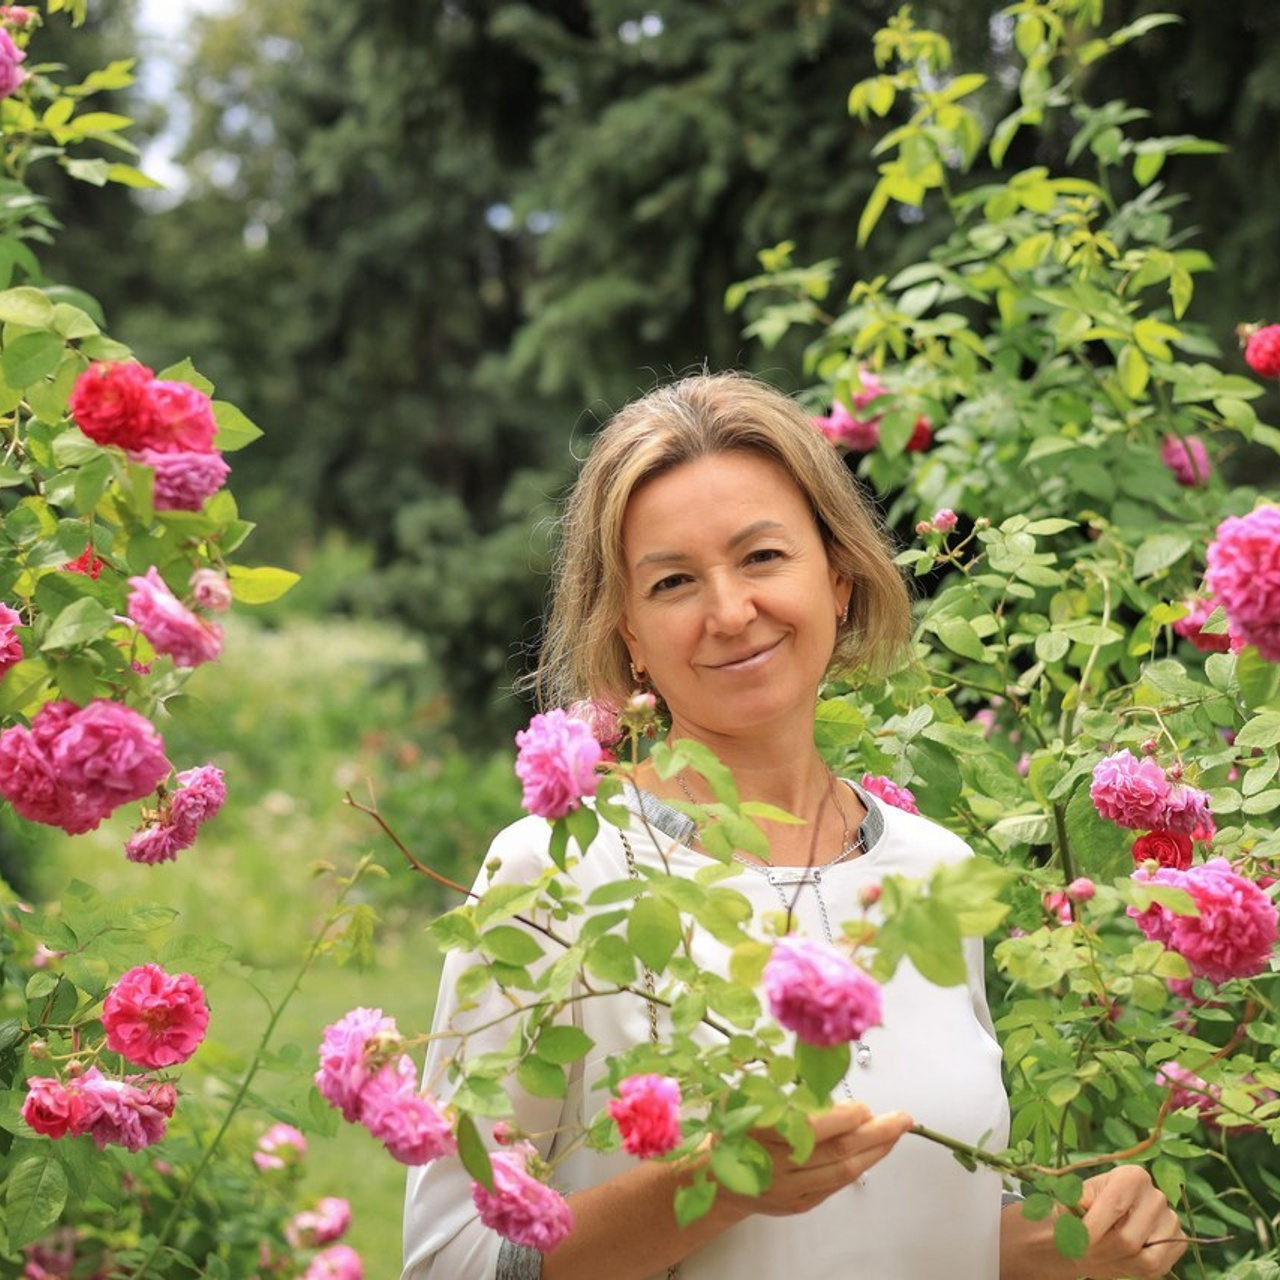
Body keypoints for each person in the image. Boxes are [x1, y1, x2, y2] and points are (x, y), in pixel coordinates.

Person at [402, 372, 1187, 1280]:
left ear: (840, 576)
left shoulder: (936, 872)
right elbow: (448, 1262)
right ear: (629, 633)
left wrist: (1077, 1247)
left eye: (763, 557)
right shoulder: (557, 871)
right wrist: (718, 1183)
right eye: (674, 581)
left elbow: (903, 1235)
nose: (731, 611)